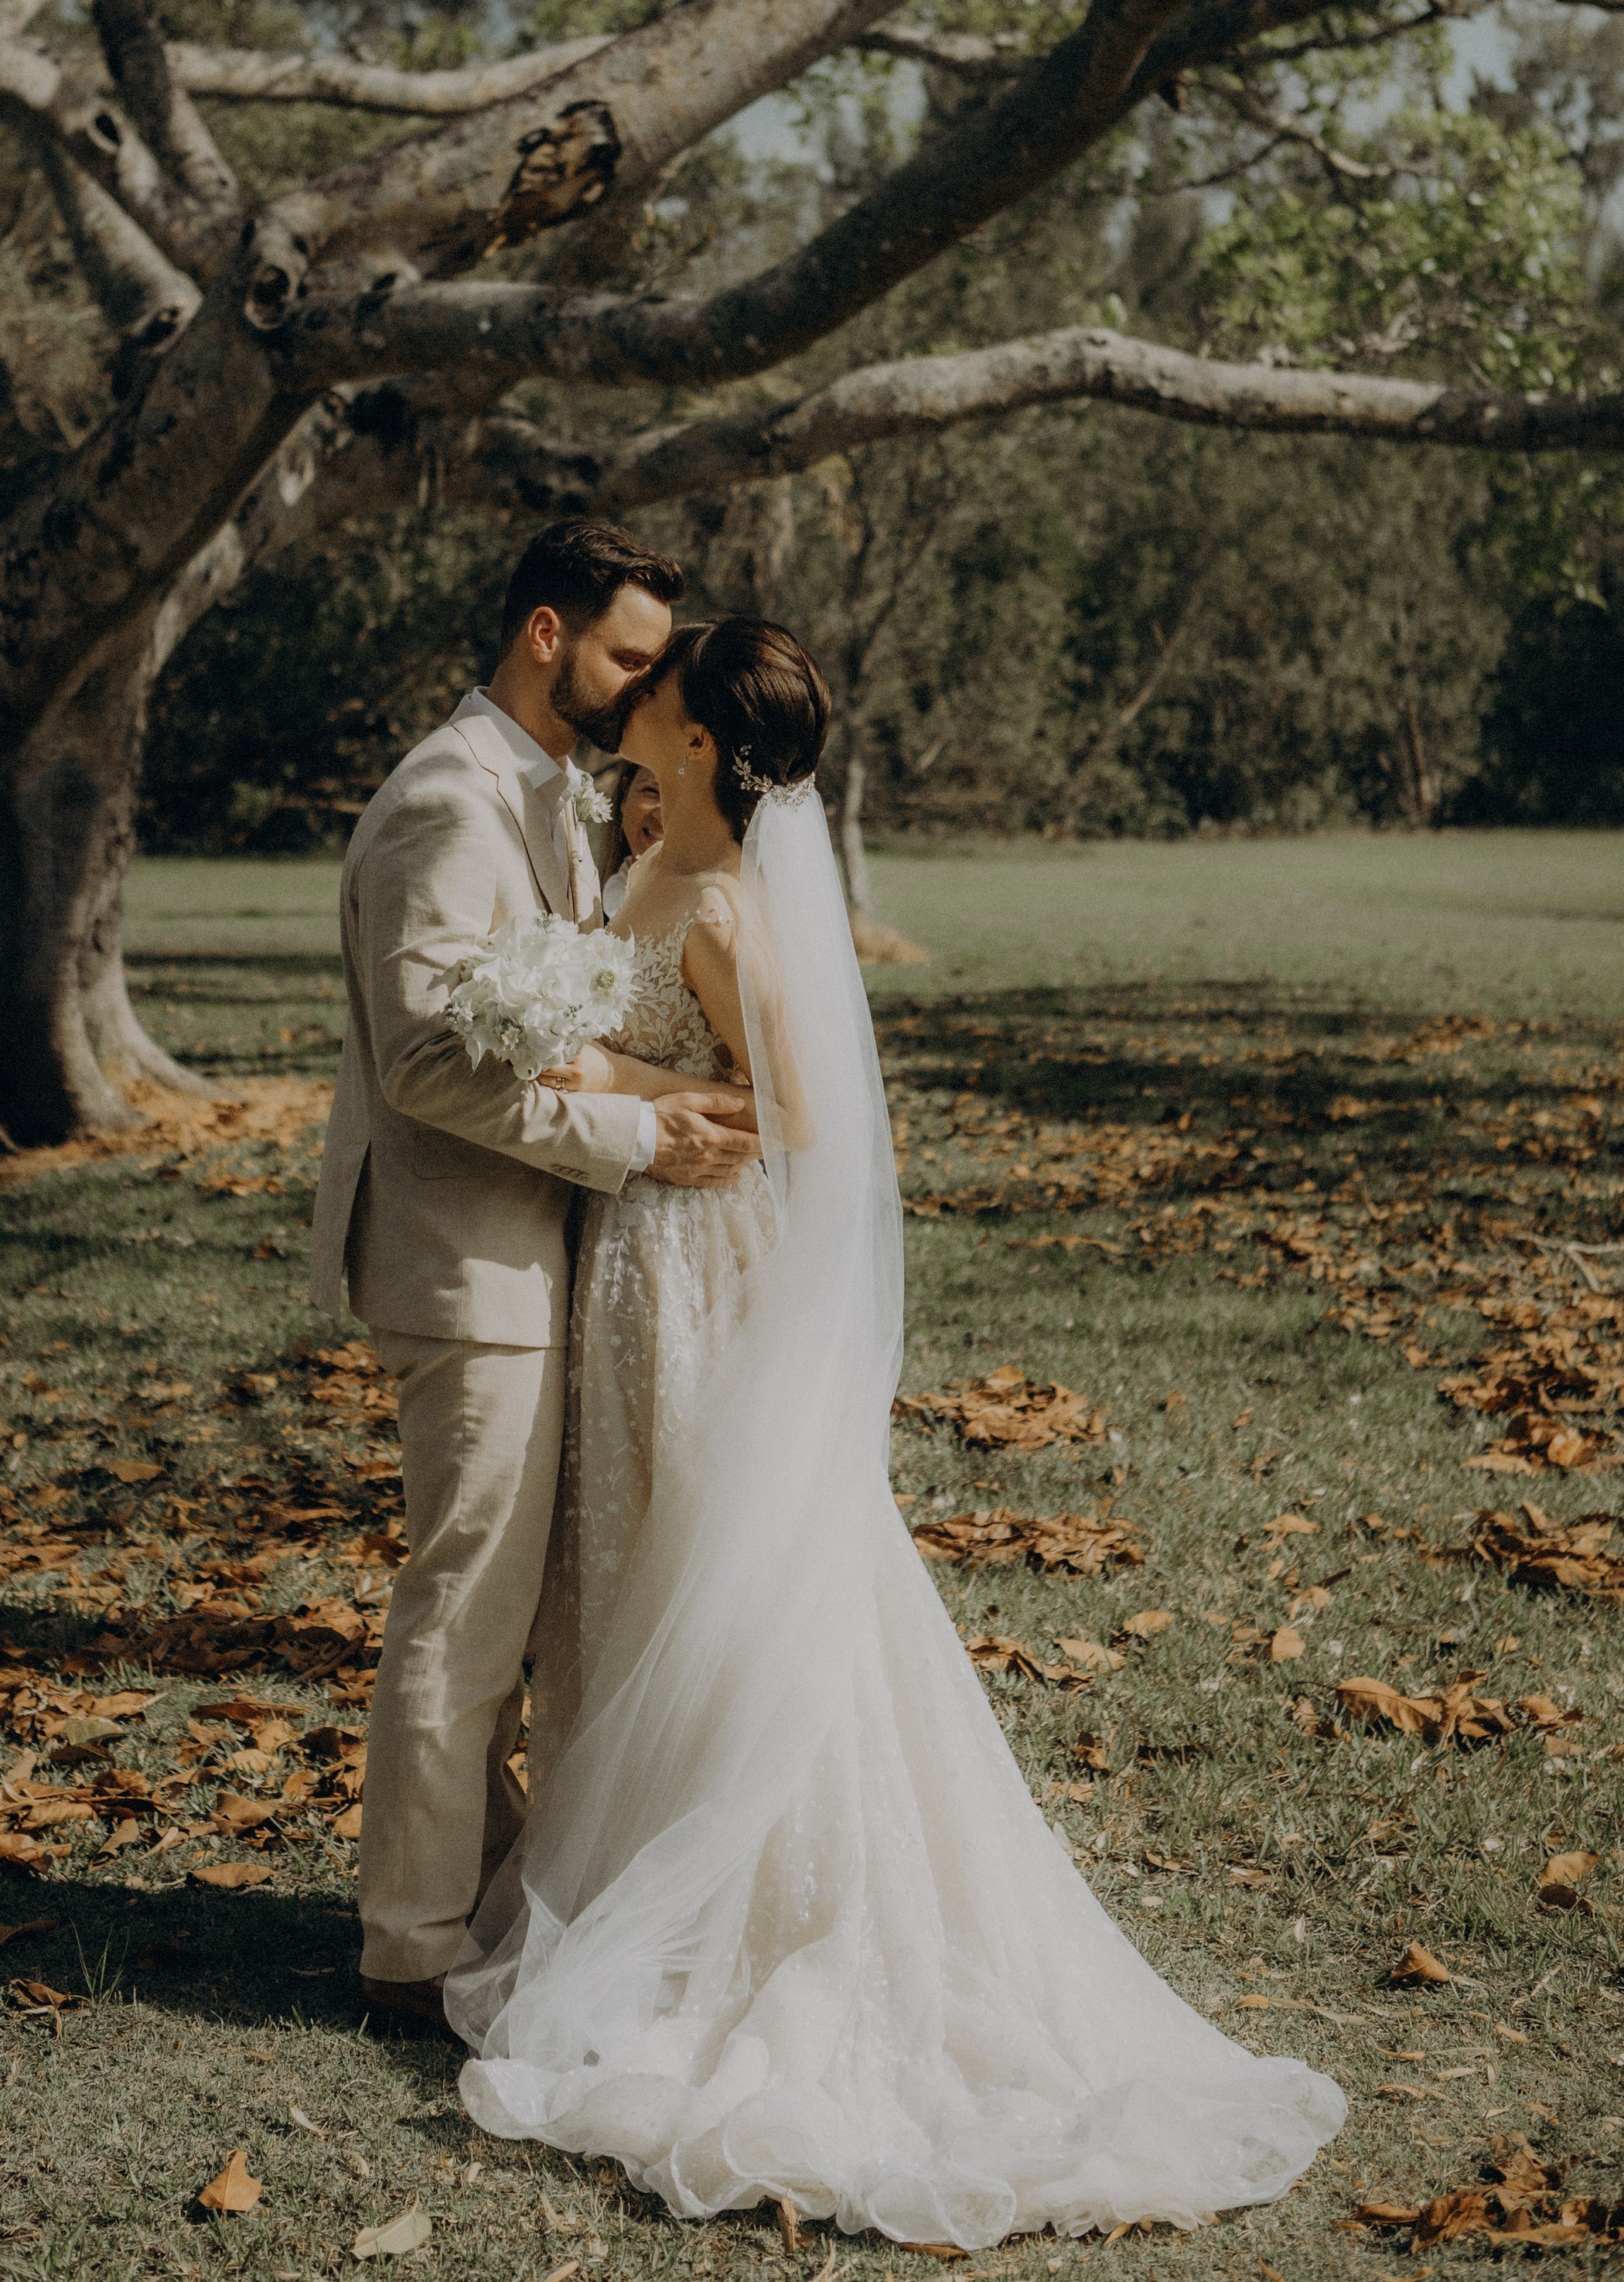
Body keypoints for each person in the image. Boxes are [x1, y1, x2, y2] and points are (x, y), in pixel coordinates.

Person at [446, 617, 1347, 2251]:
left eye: (654, 693)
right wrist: (587, 1063)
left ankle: (756, 1923)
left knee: (726, 1572)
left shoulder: (719, 908)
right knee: (638, 1565)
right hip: (625, 1268)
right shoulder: (643, 857)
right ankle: (638, 1875)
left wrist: (667, 1118)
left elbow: (805, 1119)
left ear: (702, 739)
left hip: (696, 1267)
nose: (629, 707)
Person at [312, 520, 760, 2030]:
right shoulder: (448, 800)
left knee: (516, 1613)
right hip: (463, 1264)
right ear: (547, 634)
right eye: (633, 657)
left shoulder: (551, 797)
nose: (649, 688)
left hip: (543, 1260)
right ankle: (409, 1948)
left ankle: (490, 1897)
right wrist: (633, 1132)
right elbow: (431, 1063)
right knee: (466, 1608)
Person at [600, 763, 664, 921]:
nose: (662, 817)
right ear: (625, 796)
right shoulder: (589, 897)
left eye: (683, 799)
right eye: (651, 791)